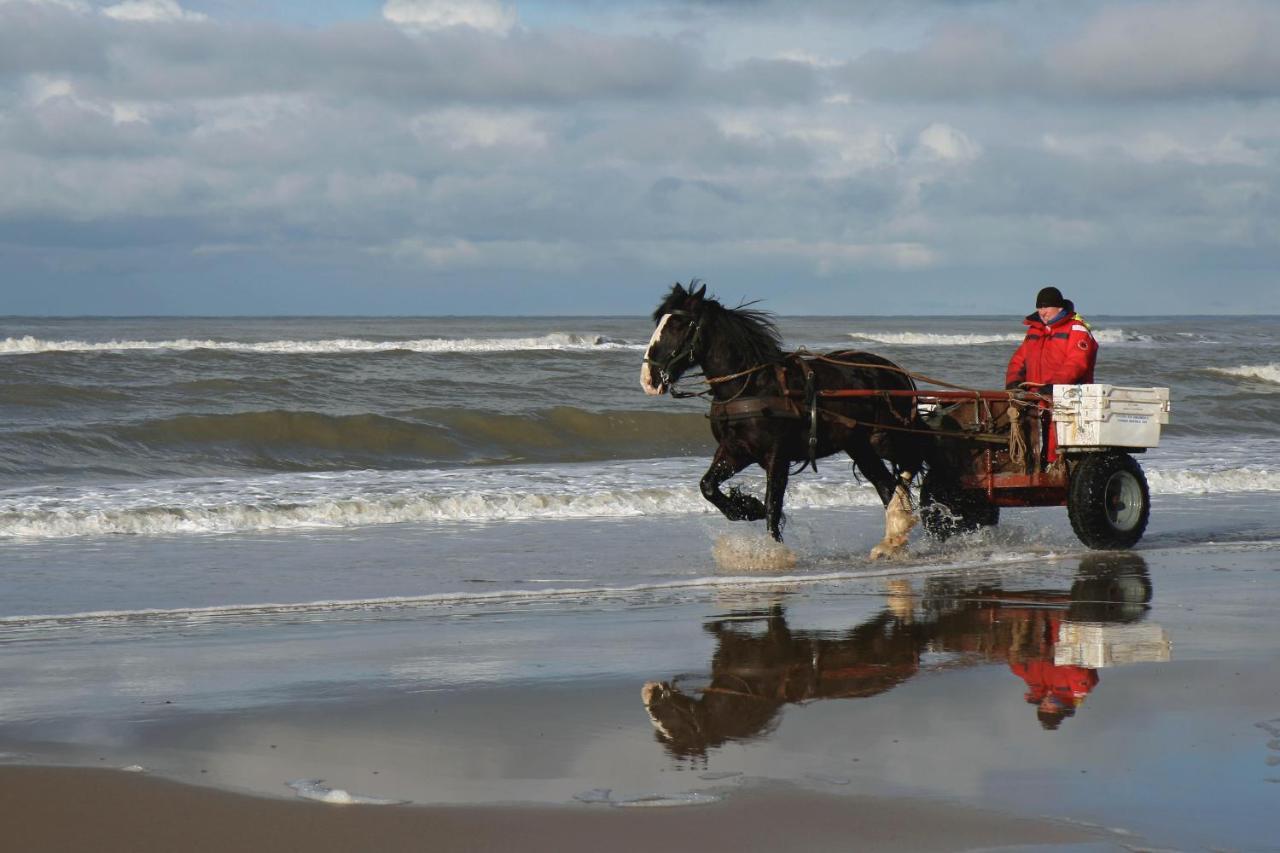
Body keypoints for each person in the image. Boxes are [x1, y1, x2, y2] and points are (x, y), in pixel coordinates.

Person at [1005, 286, 1099, 462]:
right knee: (1030, 438)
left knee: (1056, 441)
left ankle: (1054, 468)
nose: (1042, 312)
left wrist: (1055, 385)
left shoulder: (1077, 329)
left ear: (1059, 307)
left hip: (1067, 398)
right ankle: (1034, 470)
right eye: (1039, 307)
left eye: (1046, 307)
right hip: (1035, 397)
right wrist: (1013, 381)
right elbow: (1019, 359)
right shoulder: (1034, 331)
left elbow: (1077, 362)